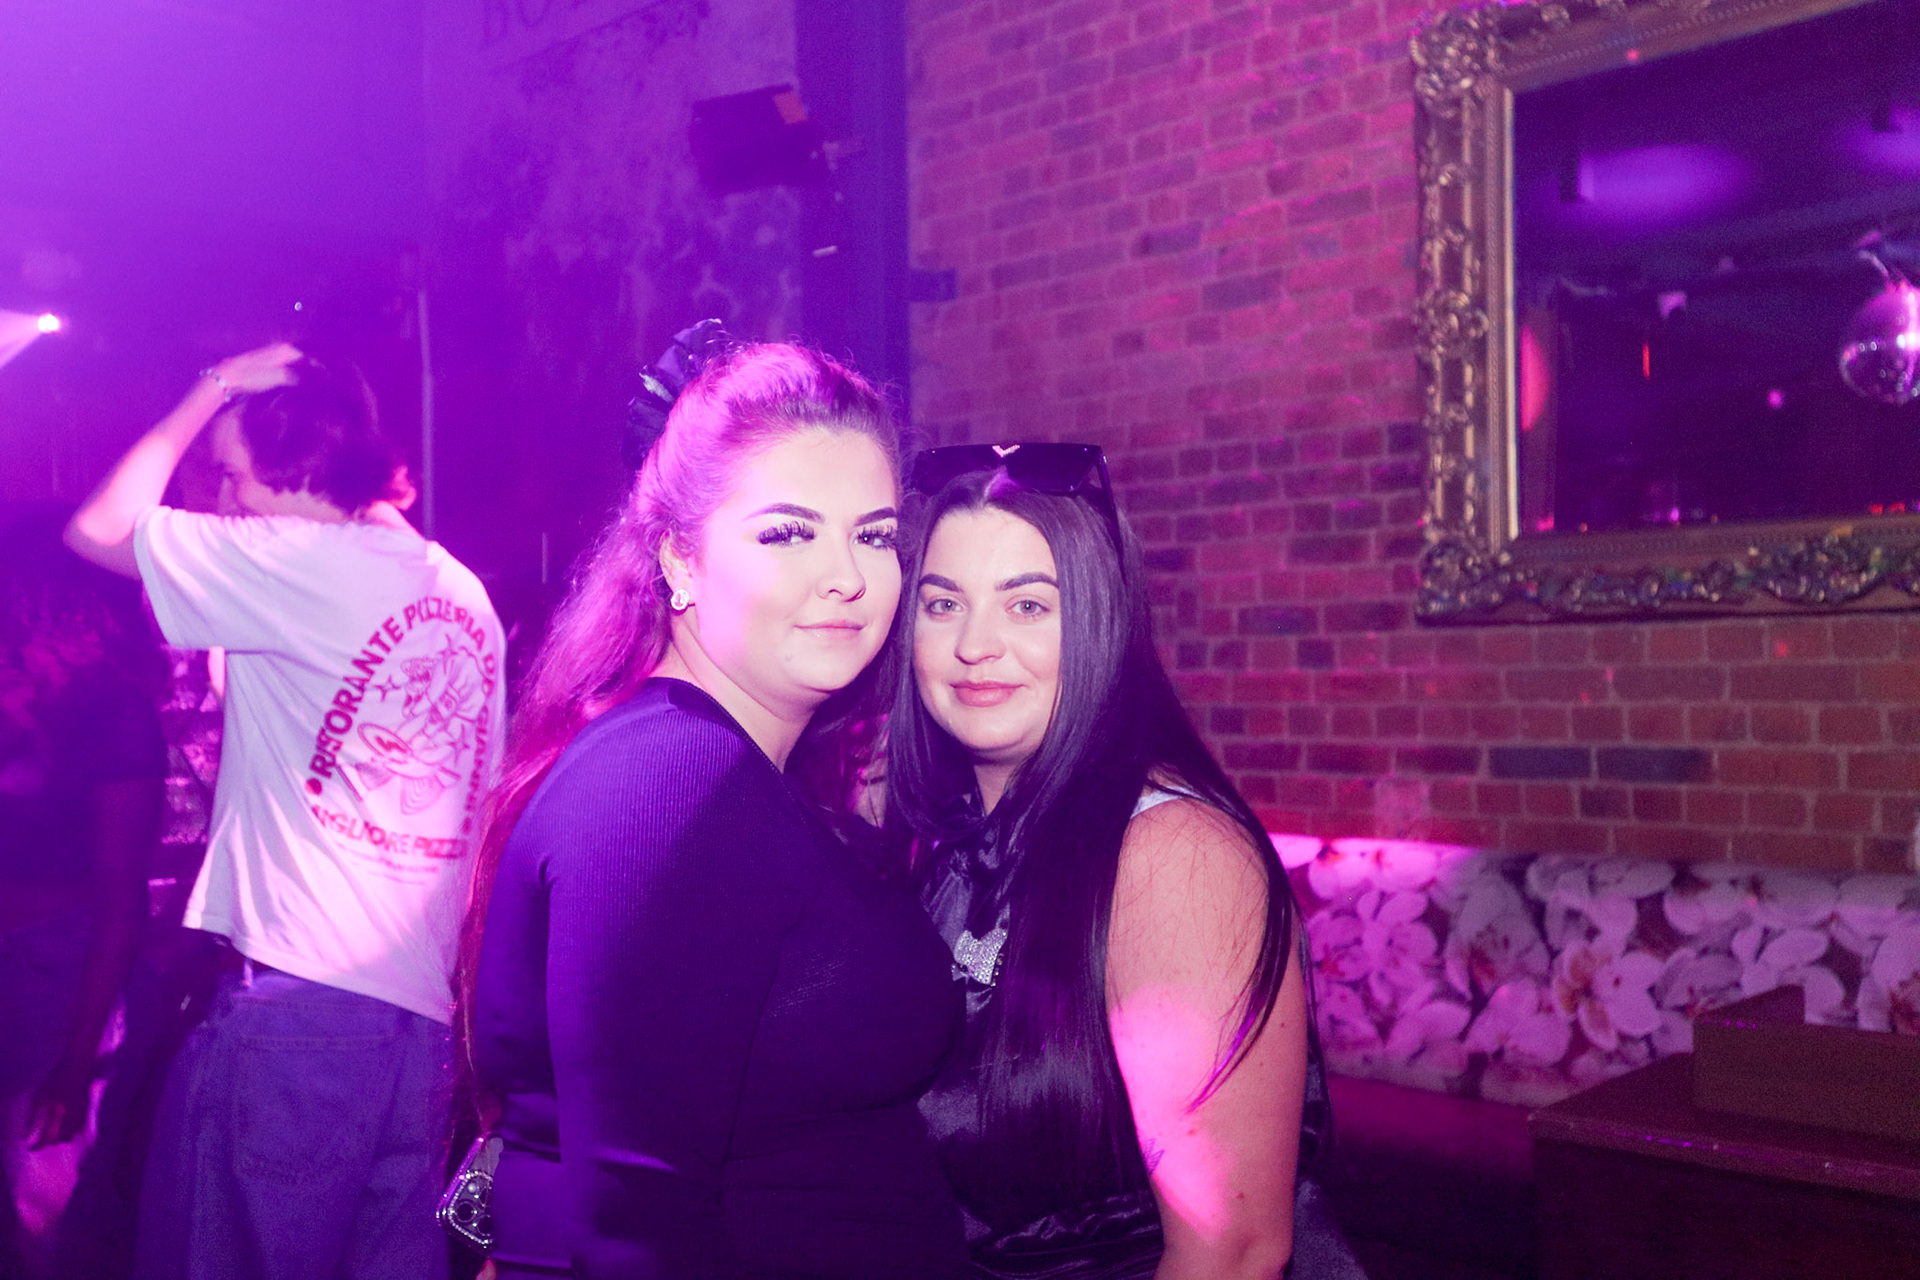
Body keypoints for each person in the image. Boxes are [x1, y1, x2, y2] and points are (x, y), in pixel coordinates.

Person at [464, 339, 966, 1278]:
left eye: (873, 535)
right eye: (787, 533)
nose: (848, 577)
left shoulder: (720, 771)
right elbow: (636, 1226)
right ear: (680, 559)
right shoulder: (672, 780)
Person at [64, 344, 506, 1280]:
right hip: (424, 1029)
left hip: (300, 1014)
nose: (225, 503)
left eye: (232, 476)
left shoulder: (297, 560)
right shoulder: (459, 589)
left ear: (298, 468)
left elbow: (99, 528)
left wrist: (211, 386)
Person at [886, 444, 1363, 1280]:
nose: (974, 644)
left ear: (1099, 622)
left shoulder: (1171, 856)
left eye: (1028, 605)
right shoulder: (952, 844)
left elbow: (1232, 1254)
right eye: (943, 603)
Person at [0, 514, 168, 1279]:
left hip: (59, 971)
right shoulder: (19, 700)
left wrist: (76, 1061)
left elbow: (120, 902)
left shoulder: (113, 713)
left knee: (46, 1211)